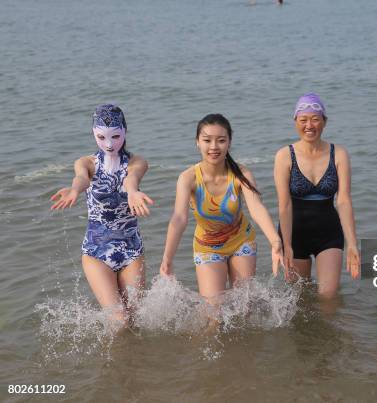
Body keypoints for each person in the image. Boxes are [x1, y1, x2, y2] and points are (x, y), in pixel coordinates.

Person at [159, 114, 282, 302]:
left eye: (221, 140)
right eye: (207, 140)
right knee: (212, 310)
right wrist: (167, 258)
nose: (214, 147)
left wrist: (275, 242)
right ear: (197, 143)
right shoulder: (188, 178)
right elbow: (179, 218)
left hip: (242, 241)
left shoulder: (241, 174)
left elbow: (256, 208)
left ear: (229, 143)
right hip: (207, 247)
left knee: (243, 306)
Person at [50, 104, 153, 328]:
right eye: (101, 136)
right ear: (93, 133)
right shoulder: (86, 163)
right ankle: (114, 362)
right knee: (120, 319)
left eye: (115, 136)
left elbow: (131, 178)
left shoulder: (137, 162)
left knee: (136, 320)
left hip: (131, 250)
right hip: (96, 251)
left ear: (124, 131)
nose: (109, 143)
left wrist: (133, 192)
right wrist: (75, 190)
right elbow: (82, 178)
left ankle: (135, 363)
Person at [274, 92, 360, 298]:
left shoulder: (338, 153)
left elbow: (344, 200)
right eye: (303, 120)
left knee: (329, 297)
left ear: (324, 122)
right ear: (295, 121)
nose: (309, 125)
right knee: (299, 298)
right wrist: (286, 246)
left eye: (315, 119)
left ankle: (329, 331)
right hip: (295, 234)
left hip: (328, 233)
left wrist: (353, 244)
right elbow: (284, 205)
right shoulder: (285, 156)